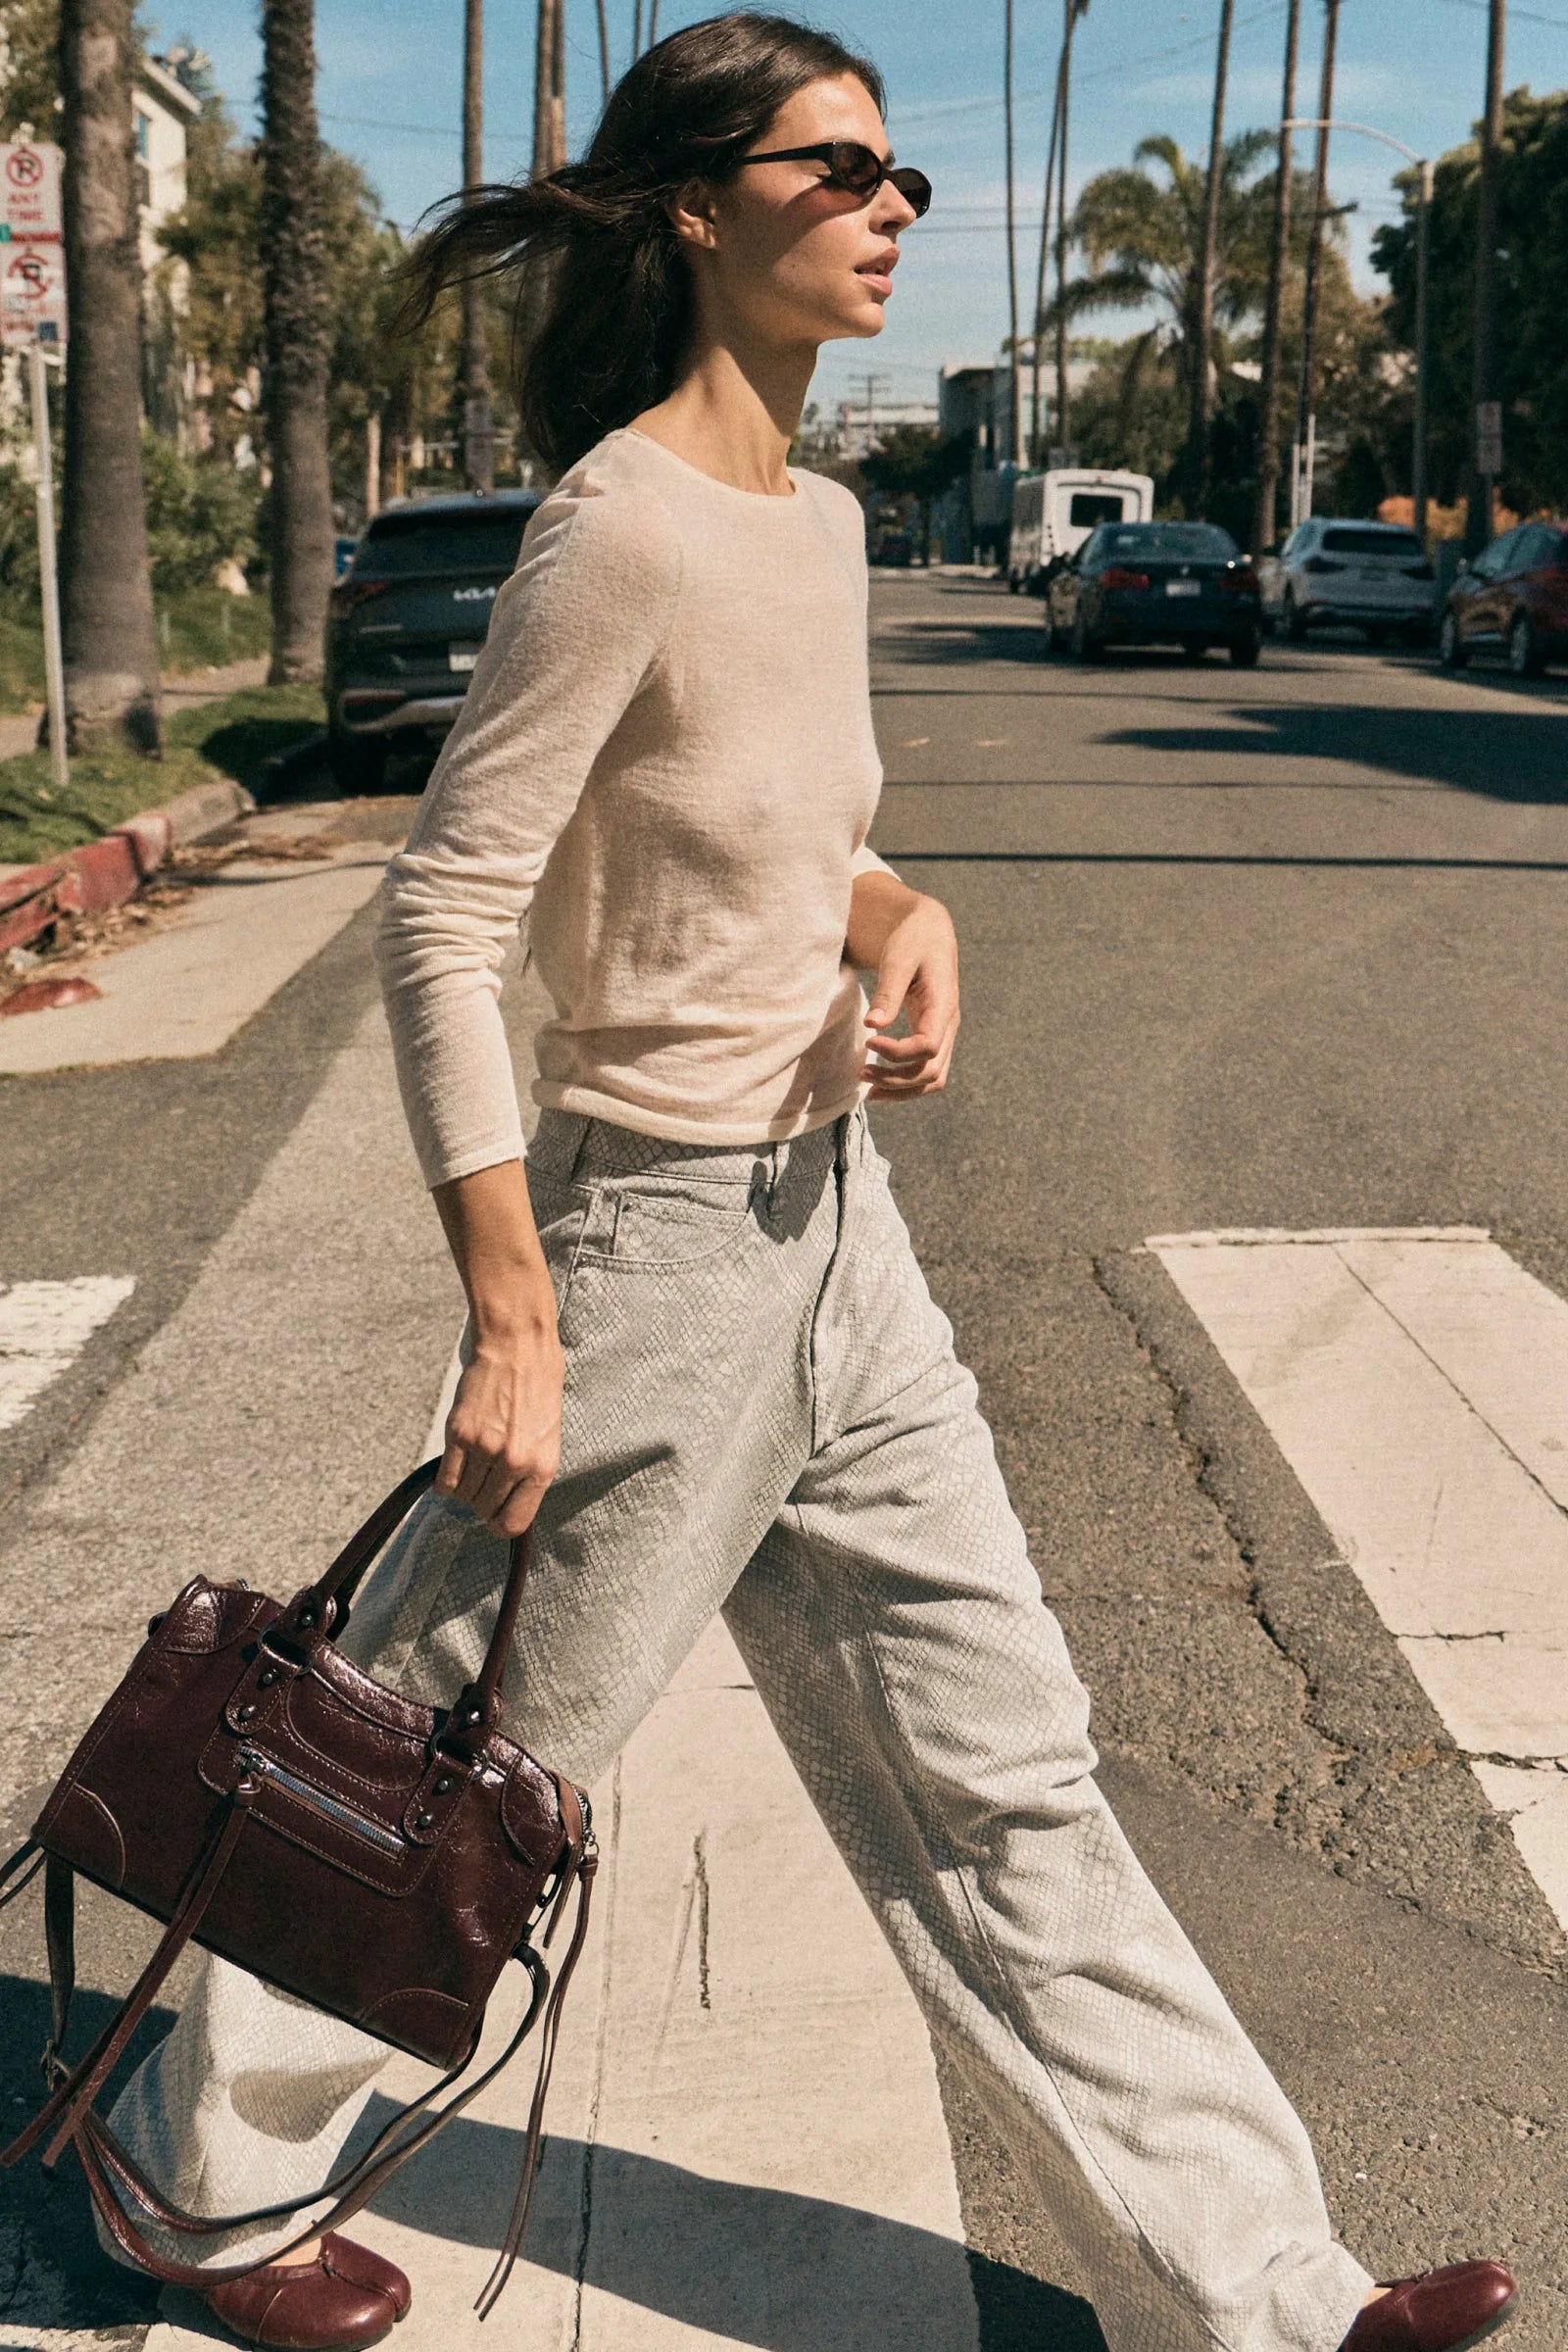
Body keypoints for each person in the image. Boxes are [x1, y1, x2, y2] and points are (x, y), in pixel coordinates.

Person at [98, 17, 1515, 2352]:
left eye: (899, 178)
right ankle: (182, 2181)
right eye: (836, 168)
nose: (887, 208)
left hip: (837, 1240)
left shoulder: (822, 518)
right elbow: (448, 909)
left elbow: (784, 830)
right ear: (693, 207)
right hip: (647, 1243)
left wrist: (902, 917)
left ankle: (1277, 2295)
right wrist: (514, 1311)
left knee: (1008, 1772)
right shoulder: (616, 519)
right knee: (455, 1767)